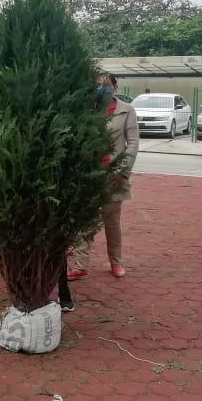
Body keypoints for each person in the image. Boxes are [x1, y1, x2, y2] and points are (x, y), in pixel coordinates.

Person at [68, 73, 140, 281]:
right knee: (85, 222)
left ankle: (116, 262)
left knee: (112, 221)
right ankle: (80, 266)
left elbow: (133, 143)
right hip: (90, 175)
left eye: (106, 85)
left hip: (114, 175)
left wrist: (122, 171)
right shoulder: (88, 110)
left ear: (115, 87)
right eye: (98, 85)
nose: (102, 88)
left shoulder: (127, 110)